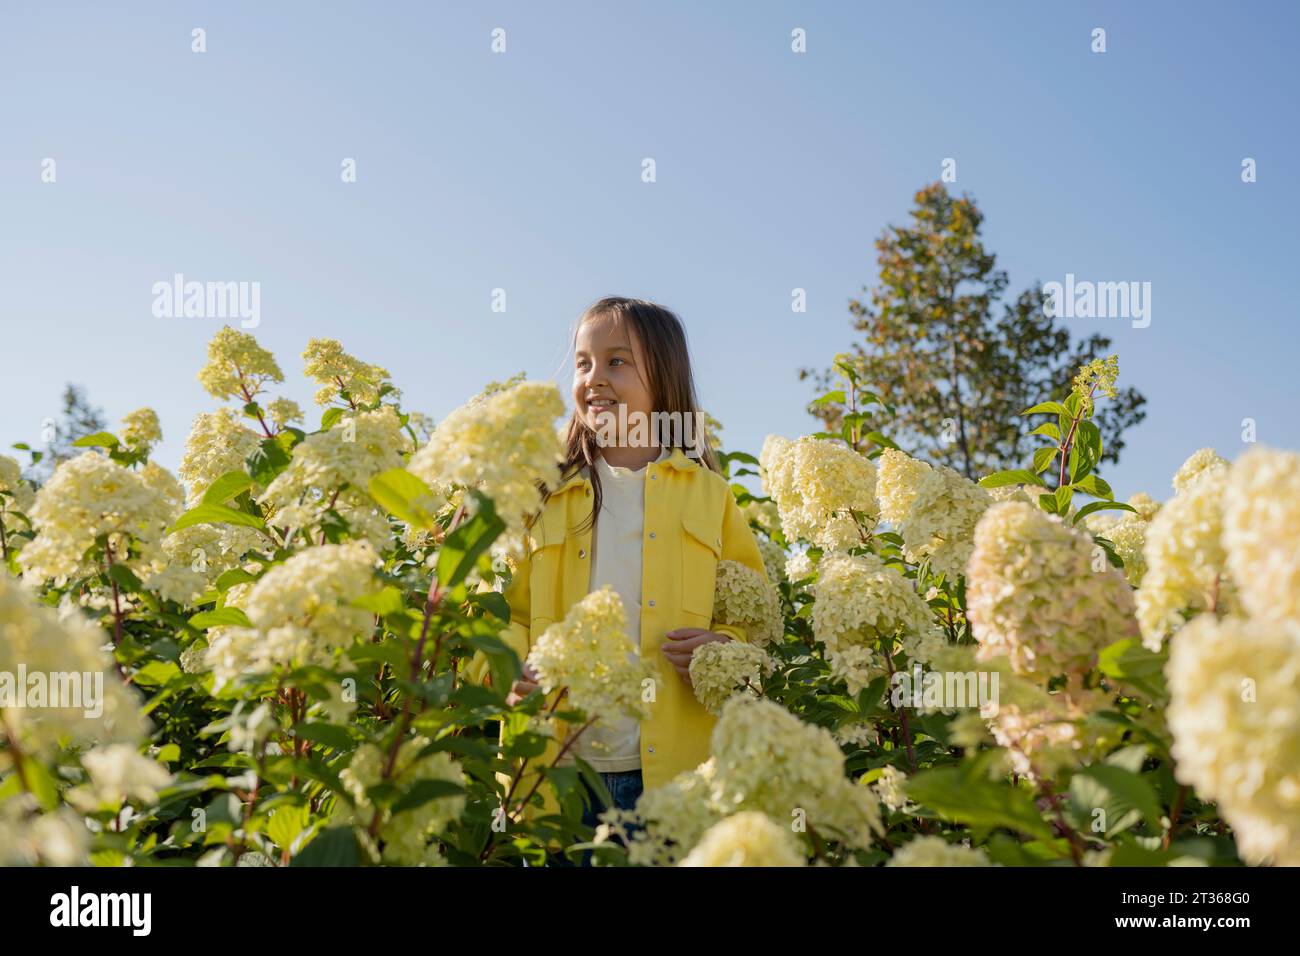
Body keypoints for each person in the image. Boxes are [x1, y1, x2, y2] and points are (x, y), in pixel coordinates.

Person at [469, 296, 769, 866]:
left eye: (616, 362)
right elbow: (501, 616)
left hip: (676, 779)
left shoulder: (710, 495)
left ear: (665, 378)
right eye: (583, 363)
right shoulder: (543, 494)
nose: (594, 379)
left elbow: (750, 614)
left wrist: (722, 648)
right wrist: (506, 672)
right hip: (553, 776)